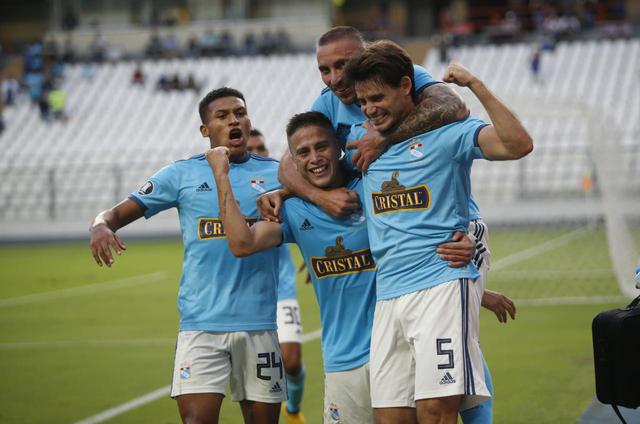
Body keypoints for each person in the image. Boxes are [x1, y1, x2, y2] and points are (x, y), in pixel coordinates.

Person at [278, 26, 517, 423]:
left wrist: (383, 139)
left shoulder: (407, 76)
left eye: (343, 66)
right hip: (396, 264)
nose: (336, 78)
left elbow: (454, 107)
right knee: (423, 384)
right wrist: (318, 197)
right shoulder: (329, 102)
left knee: (452, 370)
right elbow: (292, 161)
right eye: (324, 69)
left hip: (452, 228)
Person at [209, 112, 473, 423]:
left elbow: (426, 225)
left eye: (322, 147)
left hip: (397, 350)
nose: (315, 158)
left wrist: (469, 253)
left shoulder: (372, 189)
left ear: (338, 149)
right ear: (292, 161)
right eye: (303, 153)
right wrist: (222, 176)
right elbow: (242, 244)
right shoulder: (293, 210)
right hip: (340, 361)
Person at [343, 40, 532, 424]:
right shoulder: (365, 147)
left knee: (437, 413)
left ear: (406, 86)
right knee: (390, 417)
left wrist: (475, 84)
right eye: (363, 101)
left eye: (378, 97)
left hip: (440, 288)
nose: (370, 109)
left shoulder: (448, 135)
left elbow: (518, 144)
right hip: (388, 295)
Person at [89, 87, 286, 424]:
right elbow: (115, 215)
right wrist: (100, 224)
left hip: (258, 325)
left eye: (240, 113)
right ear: (205, 130)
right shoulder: (181, 174)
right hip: (200, 327)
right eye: (222, 116)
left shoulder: (278, 174)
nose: (234, 120)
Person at [247, 129, 307, 424]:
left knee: (292, 362)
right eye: (252, 147)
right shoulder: (233, 188)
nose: (258, 152)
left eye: (261, 146)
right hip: (249, 293)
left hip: (281, 286)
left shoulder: (281, 182)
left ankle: (293, 411)